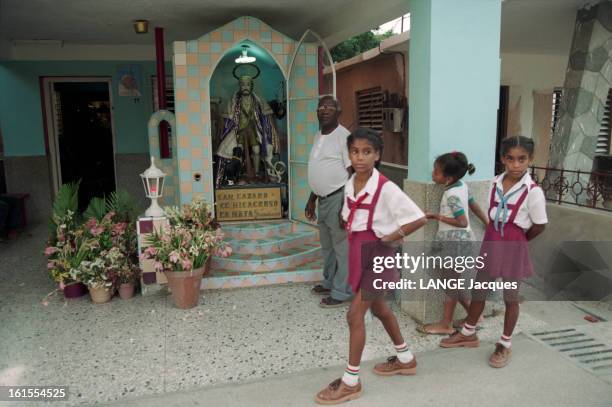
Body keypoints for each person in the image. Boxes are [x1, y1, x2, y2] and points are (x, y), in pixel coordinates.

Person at [315, 128, 427, 405]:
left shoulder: (386, 187)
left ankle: (351, 381)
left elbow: (418, 218)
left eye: (367, 152)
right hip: (358, 252)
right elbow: (349, 216)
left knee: (354, 315)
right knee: (380, 309)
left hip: (378, 255)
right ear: (348, 154)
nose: (360, 157)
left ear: (377, 155)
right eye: (355, 152)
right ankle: (406, 358)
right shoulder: (350, 183)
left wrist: (392, 236)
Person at [440, 136, 548, 369]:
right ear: (502, 159)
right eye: (510, 159)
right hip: (492, 239)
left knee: (510, 297)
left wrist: (518, 242)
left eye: (522, 159)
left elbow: (539, 225)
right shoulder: (495, 182)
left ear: (530, 159)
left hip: (512, 241)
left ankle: (504, 343)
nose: (516, 165)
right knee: (479, 288)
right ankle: (468, 332)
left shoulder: (533, 191)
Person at [419, 152, 488, 335]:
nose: (433, 174)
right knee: (452, 283)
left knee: (451, 284)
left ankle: (446, 324)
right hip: (459, 243)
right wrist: (486, 222)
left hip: (454, 244)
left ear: (448, 178)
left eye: (436, 172)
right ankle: (475, 315)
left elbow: (462, 222)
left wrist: (436, 216)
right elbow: (473, 205)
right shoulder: (462, 186)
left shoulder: (451, 194)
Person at [306, 96, 353, 308]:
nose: (324, 110)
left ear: (338, 111)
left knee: (342, 248)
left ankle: (342, 292)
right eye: (320, 107)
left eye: (329, 107)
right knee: (328, 248)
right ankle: (329, 282)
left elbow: (353, 173)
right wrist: (311, 199)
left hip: (338, 198)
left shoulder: (344, 136)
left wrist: (347, 205)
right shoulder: (319, 135)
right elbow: (319, 170)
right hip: (322, 200)